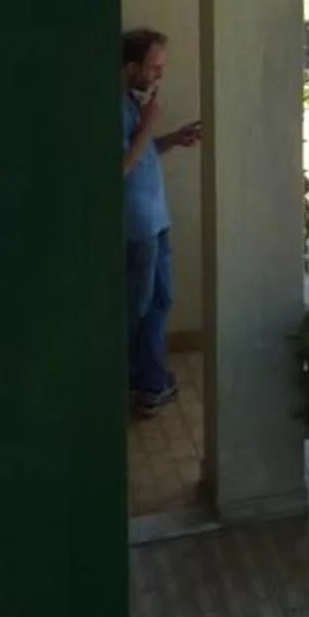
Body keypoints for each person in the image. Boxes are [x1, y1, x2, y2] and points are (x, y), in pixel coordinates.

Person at [121, 27, 202, 417]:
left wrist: (170, 138)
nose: (159, 75)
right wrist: (149, 123)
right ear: (130, 67)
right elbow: (120, 166)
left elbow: (141, 151)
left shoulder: (134, 104)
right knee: (136, 308)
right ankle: (141, 383)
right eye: (154, 67)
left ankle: (151, 381)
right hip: (136, 227)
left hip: (156, 218)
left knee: (160, 301)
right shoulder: (115, 106)